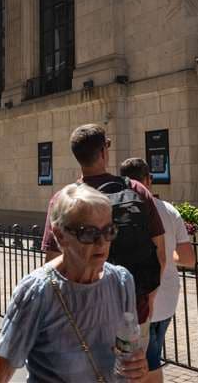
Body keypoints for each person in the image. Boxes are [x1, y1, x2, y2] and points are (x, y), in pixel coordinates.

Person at [0, 183, 148, 382]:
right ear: (60, 235)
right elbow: (1, 371)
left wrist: (138, 367)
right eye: (89, 233)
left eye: (109, 231)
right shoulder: (38, 291)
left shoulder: (121, 281)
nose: (102, 243)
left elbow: (129, 349)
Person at [41, 124, 165, 343]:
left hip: (83, 315)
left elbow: (52, 262)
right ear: (103, 152)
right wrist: (147, 298)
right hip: (133, 311)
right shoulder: (136, 190)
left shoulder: (63, 200)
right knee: (131, 373)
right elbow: (160, 254)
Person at [119, 158, 196, 382]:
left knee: (144, 361)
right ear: (149, 180)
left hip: (137, 299)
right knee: (150, 356)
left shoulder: (120, 211)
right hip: (167, 297)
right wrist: (169, 253)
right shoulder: (170, 211)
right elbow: (188, 259)